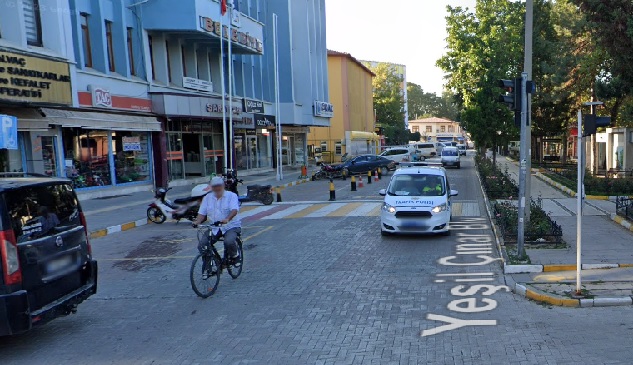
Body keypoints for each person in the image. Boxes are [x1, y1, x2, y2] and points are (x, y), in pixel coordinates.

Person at [192, 176, 241, 261]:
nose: (217, 188)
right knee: (202, 245)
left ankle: (235, 256)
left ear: (223, 186)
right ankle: (210, 264)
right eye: (214, 186)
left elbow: (234, 210)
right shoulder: (207, 198)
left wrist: (227, 219)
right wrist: (197, 221)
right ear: (212, 187)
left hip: (231, 226)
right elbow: (201, 213)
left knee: (228, 242)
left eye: (219, 186)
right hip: (214, 227)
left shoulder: (231, 196)